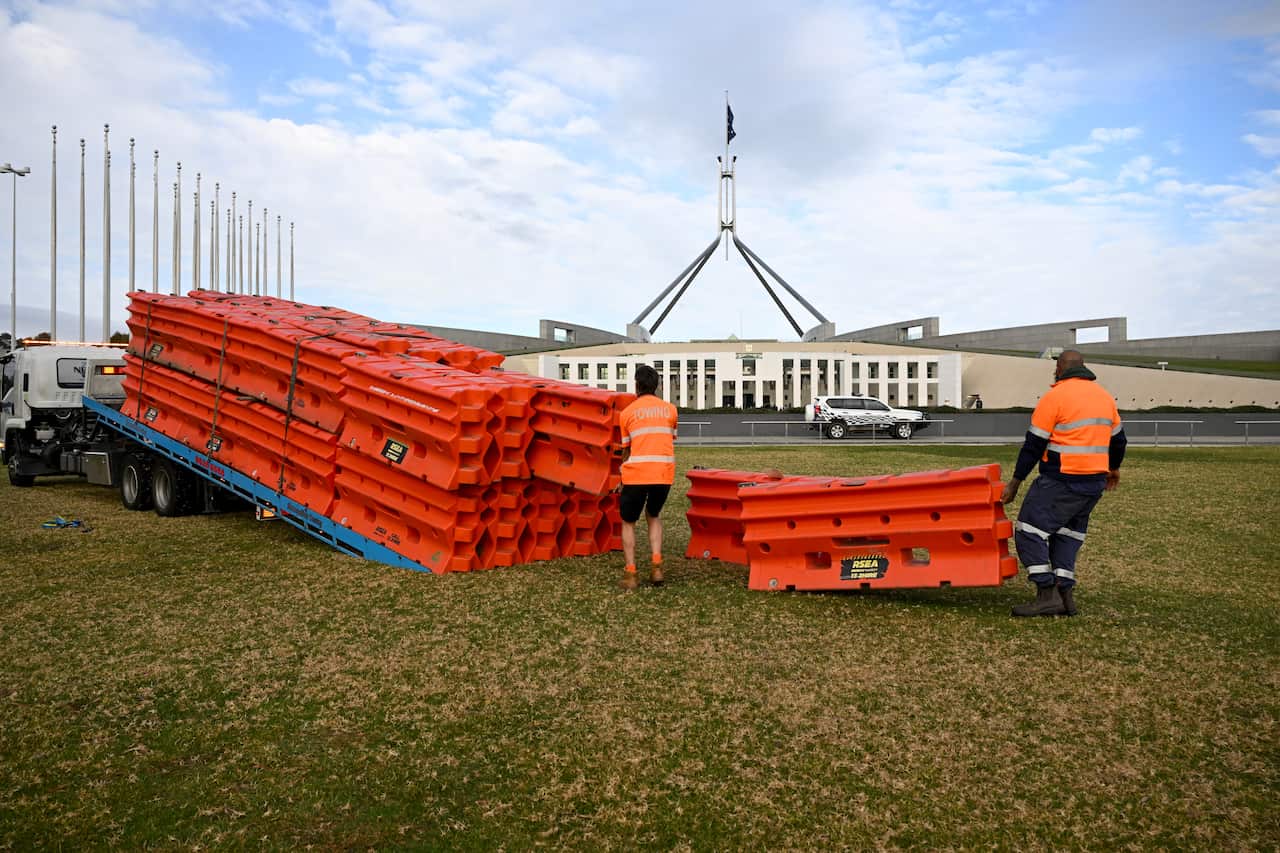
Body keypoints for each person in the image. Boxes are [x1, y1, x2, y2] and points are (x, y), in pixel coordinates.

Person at [1000, 350, 1127, 617]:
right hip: (1093, 484)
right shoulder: (1104, 398)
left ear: (1059, 368)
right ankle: (1065, 594)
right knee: (1068, 535)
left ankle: (1046, 594)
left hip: (1061, 480)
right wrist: (1113, 468)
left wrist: (1015, 482)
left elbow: (1034, 445)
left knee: (1028, 531)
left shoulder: (1055, 397)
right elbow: (1119, 441)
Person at [617, 364, 678, 590]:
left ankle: (631, 574)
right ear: (657, 386)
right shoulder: (670, 410)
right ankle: (657, 567)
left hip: (636, 474)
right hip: (663, 474)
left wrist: (619, 475)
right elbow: (669, 438)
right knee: (653, 515)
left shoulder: (627, 414)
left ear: (636, 385)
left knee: (628, 522)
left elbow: (627, 449)